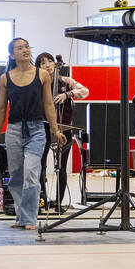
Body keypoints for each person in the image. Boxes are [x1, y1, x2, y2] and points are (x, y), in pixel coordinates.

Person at [0, 38, 65, 230]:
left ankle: (30, 218)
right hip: (14, 130)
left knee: (32, 173)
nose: (25, 50)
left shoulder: (42, 75)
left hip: (36, 130)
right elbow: (1, 109)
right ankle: (21, 216)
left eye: (27, 46)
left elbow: (49, 104)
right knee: (16, 177)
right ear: (12, 55)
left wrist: (55, 129)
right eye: (20, 48)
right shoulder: (5, 79)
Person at [36, 53, 88, 209]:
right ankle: (43, 199)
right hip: (43, 127)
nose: (47, 65)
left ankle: (59, 202)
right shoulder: (37, 83)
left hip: (64, 128)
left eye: (50, 61)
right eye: (42, 63)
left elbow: (85, 91)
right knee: (41, 164)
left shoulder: (65, 81)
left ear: (55, 63)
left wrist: (67, 94)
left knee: (62, 167)